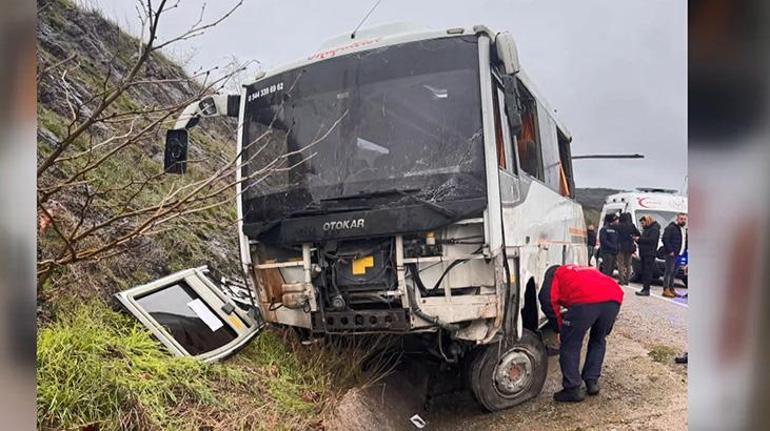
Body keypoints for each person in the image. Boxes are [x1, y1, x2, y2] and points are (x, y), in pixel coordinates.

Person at [539, 264, 624, 402]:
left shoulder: (555, 274)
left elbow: (547, 299)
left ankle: (572, 389)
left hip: (586, 300)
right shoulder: (582, 271)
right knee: (598, 339)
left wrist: (559, 328)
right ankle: (592, 382)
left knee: (571, 343)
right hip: (613, 298)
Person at [661, 213, 688, 298]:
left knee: (674, 272)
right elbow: (665, 239)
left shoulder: (684, 230)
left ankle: (671, 288)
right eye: (681, 219)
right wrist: (670, 250)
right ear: (677, 219)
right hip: (672, 254)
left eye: (684, 219)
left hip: (680, 254)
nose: (683, 220)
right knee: (668, 271)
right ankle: (666, 289)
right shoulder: (671, 228)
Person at [635, 215, 661, 296]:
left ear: (647, 221)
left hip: (649, 254)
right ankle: (644, 287)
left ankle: (647, 289)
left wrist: (640, 239)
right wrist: (637, 240)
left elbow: (651, 240)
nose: (642, 225)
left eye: (643, 223)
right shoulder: (646, 229)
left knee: (647, 271)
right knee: (644, 271)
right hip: (644, 253)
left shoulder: (654, 229)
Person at [615, 212, 640, 285]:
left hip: (620, 246)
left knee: (620, 264)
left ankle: (621, 280)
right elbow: (638, 234)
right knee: (628, 264)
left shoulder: (618, 226)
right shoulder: (632, 226)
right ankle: (627, 280)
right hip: (629, 247)